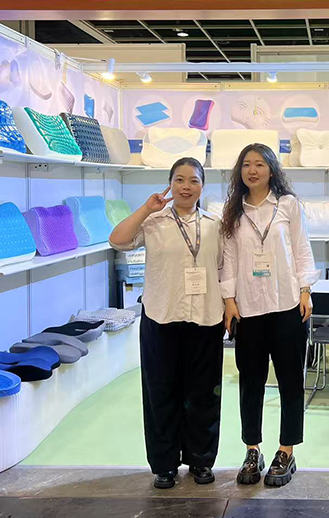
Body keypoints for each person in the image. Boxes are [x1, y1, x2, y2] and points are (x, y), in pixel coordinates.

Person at [109, 157, 224, 490]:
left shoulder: (215, 225)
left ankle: (201, 460)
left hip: (206, 317)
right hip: (161, 316)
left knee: (204, 394)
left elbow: (221, 267)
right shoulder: (154, 221)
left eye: (193, 181)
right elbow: (117, 240)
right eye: (179, 180)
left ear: (202, 186)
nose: (186, 187)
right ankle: (164, 464)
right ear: (170, 184)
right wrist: (147, 208)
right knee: (161, 392)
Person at [220, 143, 317, 488]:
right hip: (248, 309)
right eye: (246, 164)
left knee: (290, 380)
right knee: (250, 383)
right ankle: (252, 450)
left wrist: (306, 290)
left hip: (288, 305)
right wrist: (228, 300)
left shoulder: (288, 205)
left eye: (260, 164)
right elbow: (229, 259)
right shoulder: (233, 211)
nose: (253, 170)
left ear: (271, 170)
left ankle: (286, 451)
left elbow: (302, 248)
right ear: (240, 171)